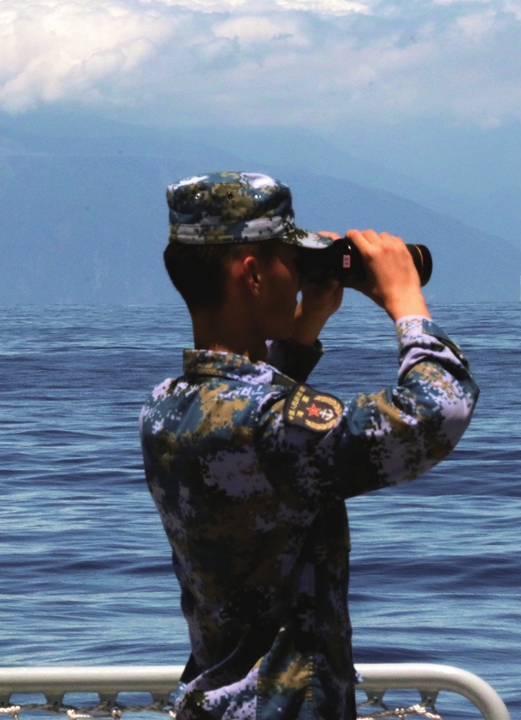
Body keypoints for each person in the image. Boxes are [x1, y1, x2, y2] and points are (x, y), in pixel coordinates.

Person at [140, 172, 479, 720]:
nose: (297, 278)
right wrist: (406, 301)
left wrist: (303, 329)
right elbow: (437, 412)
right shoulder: (270, 427)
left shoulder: (165, 406)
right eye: (288, 261)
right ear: (252, 274)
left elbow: (246, 422)